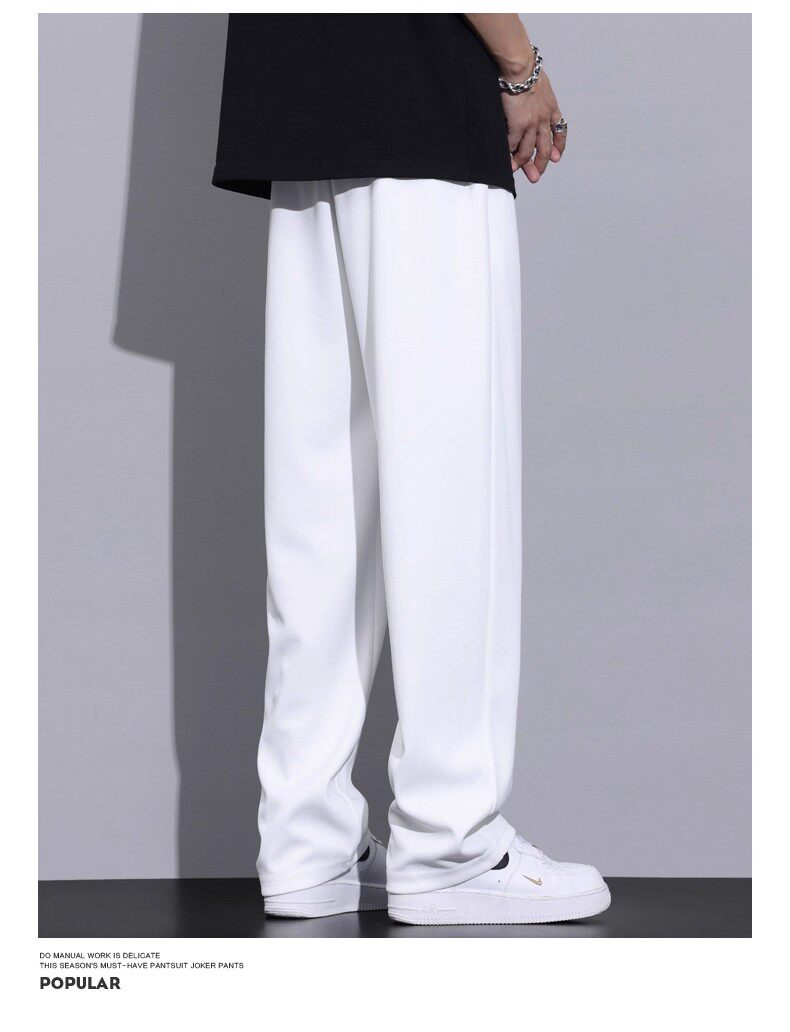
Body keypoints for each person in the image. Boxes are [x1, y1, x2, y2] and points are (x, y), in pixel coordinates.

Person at [213, 13, 610, 926]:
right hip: (420, 88)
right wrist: (520, 64)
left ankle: (306, 842)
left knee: (322, 505)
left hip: (300, 96)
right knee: (450, 487)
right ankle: (450, 844)